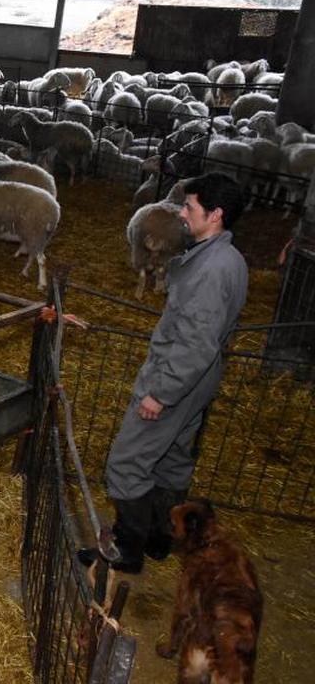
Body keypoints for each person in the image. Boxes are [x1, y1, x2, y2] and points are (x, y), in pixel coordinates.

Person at [100, 172, 249, 573]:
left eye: (190, 207)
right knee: (173, 459)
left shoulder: (212, 270)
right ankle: (160, 539)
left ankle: (126, 549)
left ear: (215, 215)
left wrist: (160, 393)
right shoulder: (229, 259)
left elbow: (196, 342)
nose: (182, 214)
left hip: (177, 380)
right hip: (199, 381)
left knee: (127, 461)